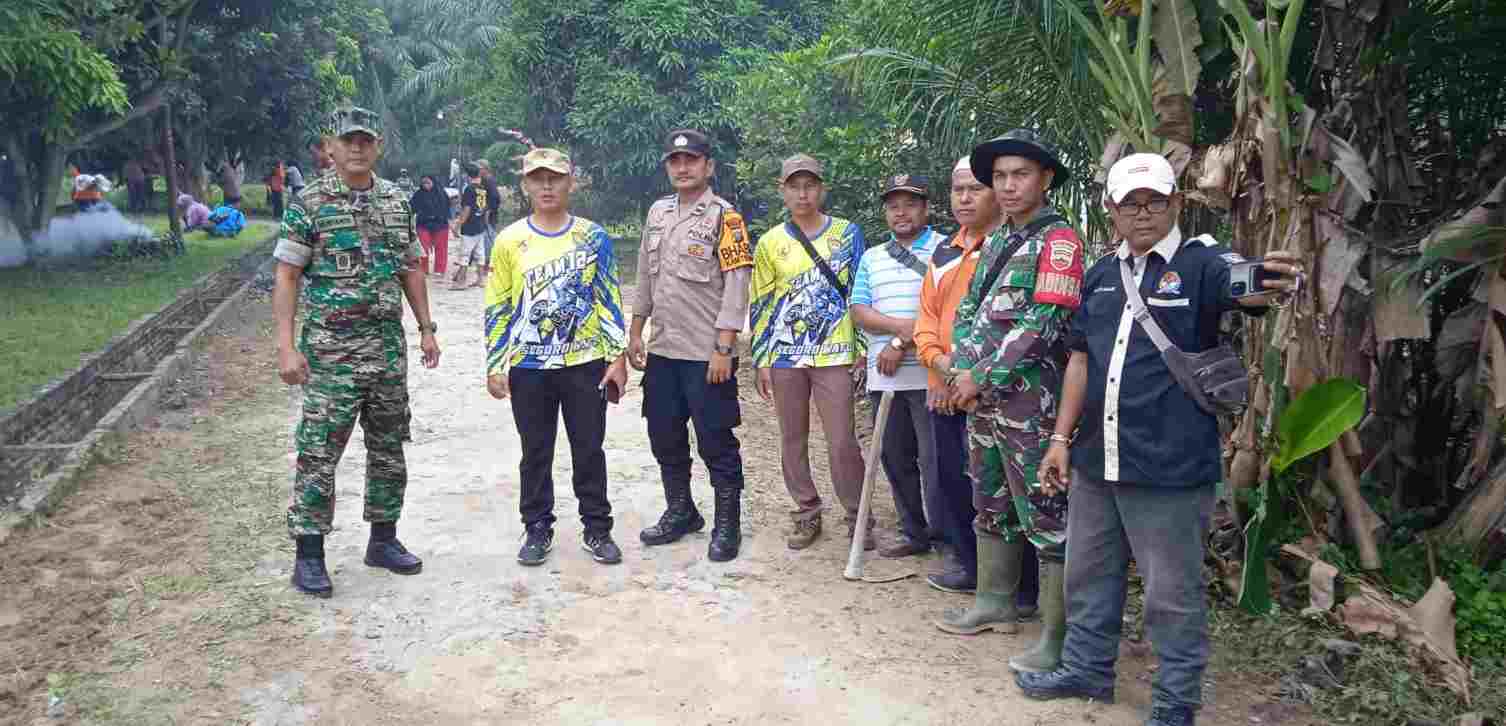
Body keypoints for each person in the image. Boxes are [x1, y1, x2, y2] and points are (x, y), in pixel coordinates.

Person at [1016, 154, 1302, 726]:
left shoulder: (1202, 263)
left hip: (1171, 465)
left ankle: (1175, 704)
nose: (1141, 212)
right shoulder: (1099, 275)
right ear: (1112, 211)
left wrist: (1265, 281)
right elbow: (1079, 360)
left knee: (1171, 594)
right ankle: (1087, 669)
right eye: (1130, 202)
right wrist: (1059, 438)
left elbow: (1242, 284)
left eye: (1153, 201)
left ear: (1175, 204)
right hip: (1099, 460)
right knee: (1088, 575)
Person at [272, 106, 441, 599]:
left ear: (378, 145)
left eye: (366, 140)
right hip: (332, 355)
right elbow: (287, 276)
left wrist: (427, 328)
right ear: (332, 146)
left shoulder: (394, 201)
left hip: (387, 351)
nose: (357, 148)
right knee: (320, 452)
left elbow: (411, 267)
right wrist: (286, 347)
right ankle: (308, 554)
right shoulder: (309, 202)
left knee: (389, 449)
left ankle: (383, 540)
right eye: (348, 140)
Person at [937, 129, 1084, 643]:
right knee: (991, 501)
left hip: (1032, 402)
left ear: (1045, 179)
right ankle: (993, 602)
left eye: (1019, 175)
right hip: (983, 401)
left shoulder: (1059, 241)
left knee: (1046, 512)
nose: (1007, 186)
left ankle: (1057, 634)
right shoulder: (997, 238)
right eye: (999, 177)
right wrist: (960, 368)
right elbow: (970, 312)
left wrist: (982, 375)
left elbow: (1043, 324)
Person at [485, 147, 629, 567]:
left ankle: (597, 528)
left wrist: (616, 356)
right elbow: (498, 303)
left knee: (589, 448)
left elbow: (608, 299)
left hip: (584, 363)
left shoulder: (592, 237)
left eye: (555, 178)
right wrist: (495, 363)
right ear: (526, 185)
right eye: (538, 178)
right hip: (529, 366)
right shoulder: (510, 240)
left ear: (571, 182)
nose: (547, 186)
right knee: (535, 450)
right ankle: (536, 526)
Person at [627, 129, 754, 562]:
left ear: (708, 167)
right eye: (675, 161)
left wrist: (724, 347)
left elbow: (737, 285)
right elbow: (646, 274)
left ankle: (727, 524)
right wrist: (635, 331)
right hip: (663, 348)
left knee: (716, 439)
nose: (683, 168)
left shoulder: (725, 217)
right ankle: (681, 511)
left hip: (705, 353)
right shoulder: (658, 213)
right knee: (663, 433)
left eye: (692, 160)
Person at [750, 154, 869, 551]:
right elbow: (762, 302)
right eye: (794, 186)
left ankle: (857, 514)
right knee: (792, 437)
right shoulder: (770, 242)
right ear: (782, 190)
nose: (803, 193)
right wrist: (762, 359)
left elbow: (860, 293)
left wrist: (862, 347)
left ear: (822, 189)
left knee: (842, 439)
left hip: (835, 352)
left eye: (810, 185)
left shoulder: (847, 234)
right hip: (786, 355)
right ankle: (806, 511)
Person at [914, 156, 1003, 594]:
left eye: (975, 188)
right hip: (944, 385)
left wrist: (964, 375)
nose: (964, 198)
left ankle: (1013, 587)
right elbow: (927, 319)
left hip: (991, 392)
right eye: (957, 189)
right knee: (951, 479)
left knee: (995, 489)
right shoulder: (944, 250)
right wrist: (938, 374)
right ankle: (968, 566)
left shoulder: (1007, 246)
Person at [849, 173, 945, 558]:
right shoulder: (872, 257)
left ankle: (946, 538)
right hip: (884, 377)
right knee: (894, 457)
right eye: (893, 206)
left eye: (910, 204)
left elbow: (946, 312)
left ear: (926, 208)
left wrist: (900, 341)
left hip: (931, 376)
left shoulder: (946, 250)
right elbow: (858, 311)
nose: (901, 212)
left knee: (937, 461)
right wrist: (899, 331)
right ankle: (913, 532)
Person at [449, 163, 489, 290]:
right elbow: (485, 208)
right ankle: (481, 279)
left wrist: (458, 225)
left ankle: (461, 281)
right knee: (480, 253)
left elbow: (467, 209)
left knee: (465, 254)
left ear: (467, 175)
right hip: (480, 224)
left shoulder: (469, 189)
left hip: (470, 226)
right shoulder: (482, 188)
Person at [410, 175, 450, 276]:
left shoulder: (442, 193)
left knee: (441, 248)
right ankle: (423, 269)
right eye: (423, 183)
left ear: (433, 182)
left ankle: (439, 270)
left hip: (440, 224)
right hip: (423, 224)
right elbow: (411, 208)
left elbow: (447, 208)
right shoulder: (418, 194)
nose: (426, 185)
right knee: (422, 248)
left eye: (428, 182)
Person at [476, 159, 504, 288]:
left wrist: (487, 212)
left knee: (489, 241)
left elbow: (495, 199)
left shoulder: (489, 180)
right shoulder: (484, 180)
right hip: (485, 214)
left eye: (479, 167)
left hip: (489, 216)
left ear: (485, 168)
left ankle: (490, 265)